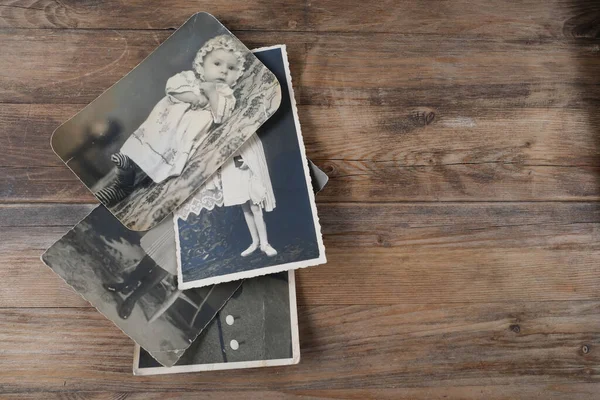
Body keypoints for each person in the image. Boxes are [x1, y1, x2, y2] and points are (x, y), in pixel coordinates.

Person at [95, 35, 246, 206]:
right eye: (217, 64)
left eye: (231, 68)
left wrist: (212, 94)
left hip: (179, 138)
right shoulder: (189, 78)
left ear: (237, 75)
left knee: (161, 159)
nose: (224, 71)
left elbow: (222, 116)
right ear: (202, 64)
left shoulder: (225, 96)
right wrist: (193, 97)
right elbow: (172, 88)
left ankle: (125, 182)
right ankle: (124, 175)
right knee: (143, 147)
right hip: (161, 127)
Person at [221, 134, 277, 257]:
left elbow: (253, 149)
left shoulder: (245, 130)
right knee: (245, 209)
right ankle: (255, 241)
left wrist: (248, 161)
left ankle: (265, 243)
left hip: (249, 171)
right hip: (233, 170)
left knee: (255, 208)